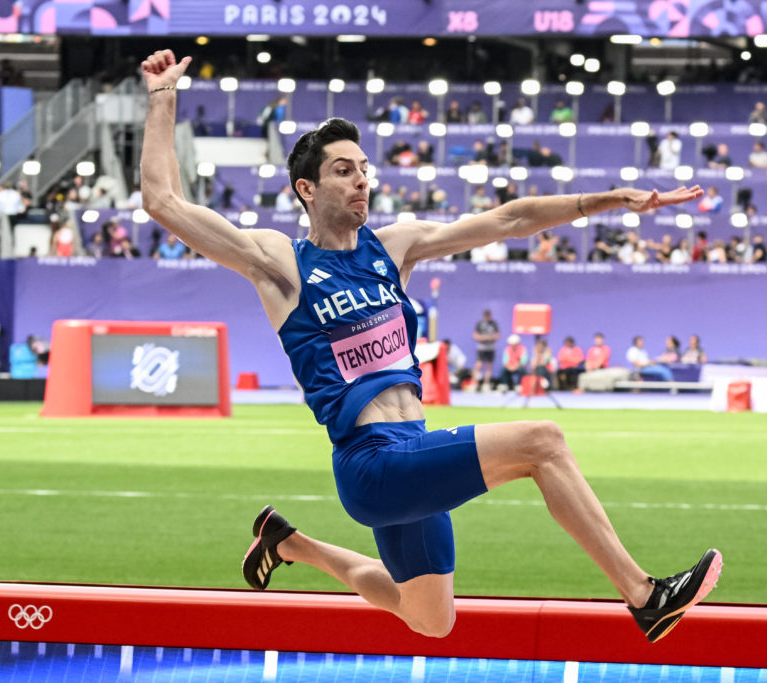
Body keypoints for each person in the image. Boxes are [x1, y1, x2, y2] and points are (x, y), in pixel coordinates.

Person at [141, 49, 720, 644]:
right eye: (344, 170)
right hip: (371, 463)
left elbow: (509, 221)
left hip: (412, 449)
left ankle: (294, 544)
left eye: (364, 168)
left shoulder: (394, 247)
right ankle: (647, 597)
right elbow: (165, 202)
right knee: (542, 441)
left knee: (430, 619)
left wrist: (606, 200)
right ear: (306, 188)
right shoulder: (282, 263)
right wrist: (163, 98)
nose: (362, 179)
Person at [472, 309, 500, 391]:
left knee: (489, 366)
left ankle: (486, 384)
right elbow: (475, 336)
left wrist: (489, 338)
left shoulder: (494, 324)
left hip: (490, 348)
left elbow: (497, 336)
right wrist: (486, 338)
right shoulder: (480, 324)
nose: (487, 318)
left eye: (489, 316)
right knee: (479, 365)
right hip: (482, 348)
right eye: (486, 316)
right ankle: (474, 383)